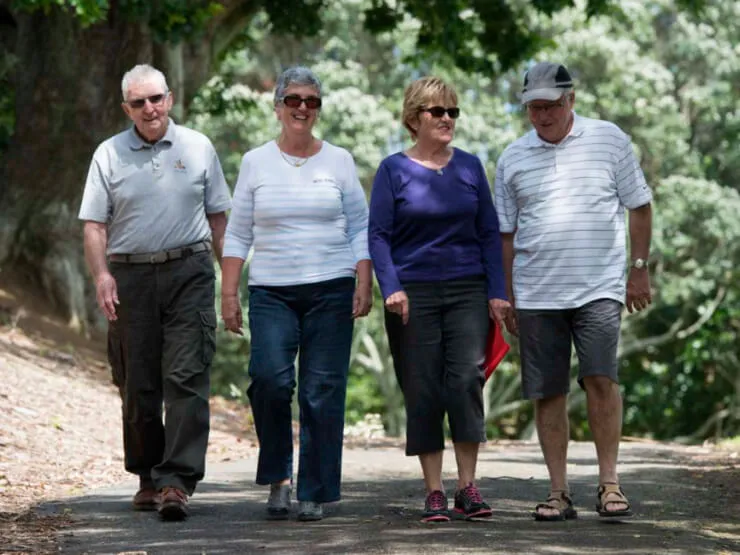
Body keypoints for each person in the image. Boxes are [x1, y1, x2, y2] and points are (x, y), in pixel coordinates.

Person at [495, 61, 653, 521]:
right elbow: (505, 235)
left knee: (601, 378)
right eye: (533, 108)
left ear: (572, 100)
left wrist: (638, 269)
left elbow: (640, 206)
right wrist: (504, 294)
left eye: (551, 106)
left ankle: (609, 484)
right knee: (548, 392)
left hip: (598, 287)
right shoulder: (512, 157)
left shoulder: (609, 139)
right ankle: (558, 492)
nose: (542, 116)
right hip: (537, 292)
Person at [78, 64, 232, 521]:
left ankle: (176, 482)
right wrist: (102, 276)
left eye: (156, 98)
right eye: (139, 102)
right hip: (130, 278)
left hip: (189, 270)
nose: (150, 108)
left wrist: (231, 281)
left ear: (171, 98)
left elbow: (220, 217)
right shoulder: (108, 154)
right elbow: (94, 224)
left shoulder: (198, 146)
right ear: (127, 108)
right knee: (137, 383)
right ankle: (148, 475)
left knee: (187, 376)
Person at [220, 66, 372, 522]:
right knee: (269, 380)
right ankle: (278, 478)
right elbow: (237, 232)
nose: (303, 107)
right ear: (278, 107)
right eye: (294, 100)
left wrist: (364, 279)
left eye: (312, 101)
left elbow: (361, 226)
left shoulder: (340, 161)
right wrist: (229, 294)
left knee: (323, 389)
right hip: (272, 290)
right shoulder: (255, 162)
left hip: (332, 286)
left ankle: (314, 490)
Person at [368, 76, 511, 523]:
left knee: (466, 380)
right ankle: (434, 490)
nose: (448, 119)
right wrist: (390, 285)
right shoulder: (393, 170)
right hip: (413, 294)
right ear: (414, 119)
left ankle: (468, 485)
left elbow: (489, 233)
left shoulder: (470, 167)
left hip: (467, 287)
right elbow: (378, 235)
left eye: (453, 112)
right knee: (424, 386)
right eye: (438, 111)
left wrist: (497, 293)